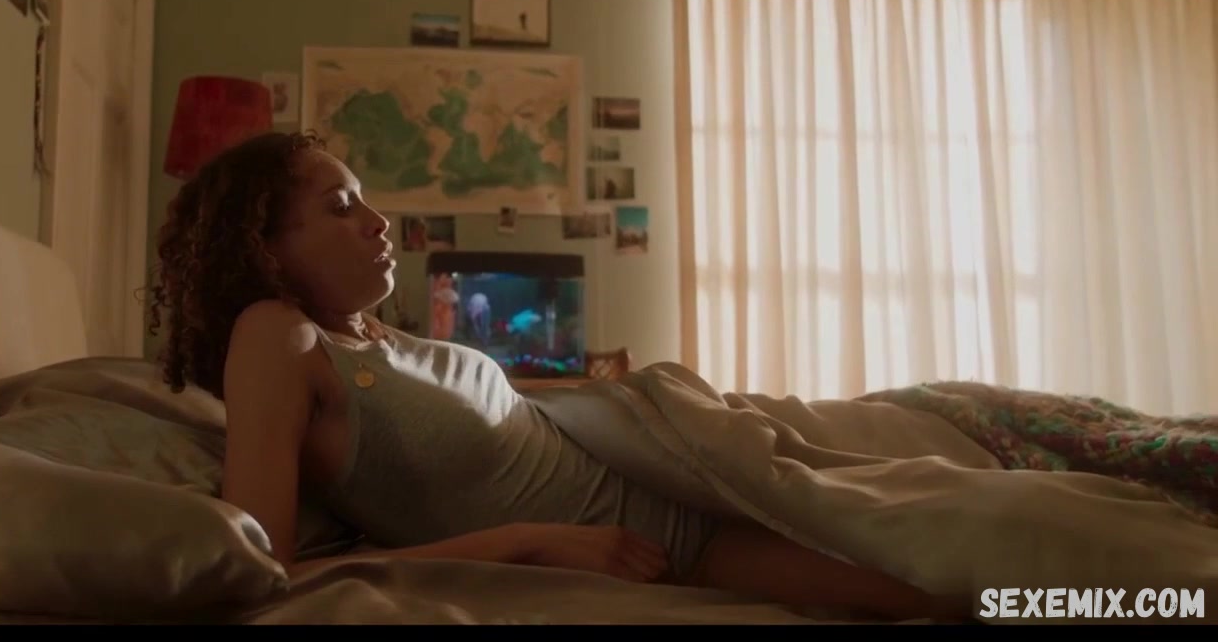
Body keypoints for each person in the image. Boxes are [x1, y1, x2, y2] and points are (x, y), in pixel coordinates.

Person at [146, 131, 963, 622]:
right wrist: (529, 542)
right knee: (958, 587)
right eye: (339, 207)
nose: (378, 220)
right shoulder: (275, 335)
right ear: (263, 246)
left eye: (363, 198)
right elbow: (262, 568)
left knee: (944, 495)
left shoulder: (368, 334)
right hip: (673, 534)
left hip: (672, 456)